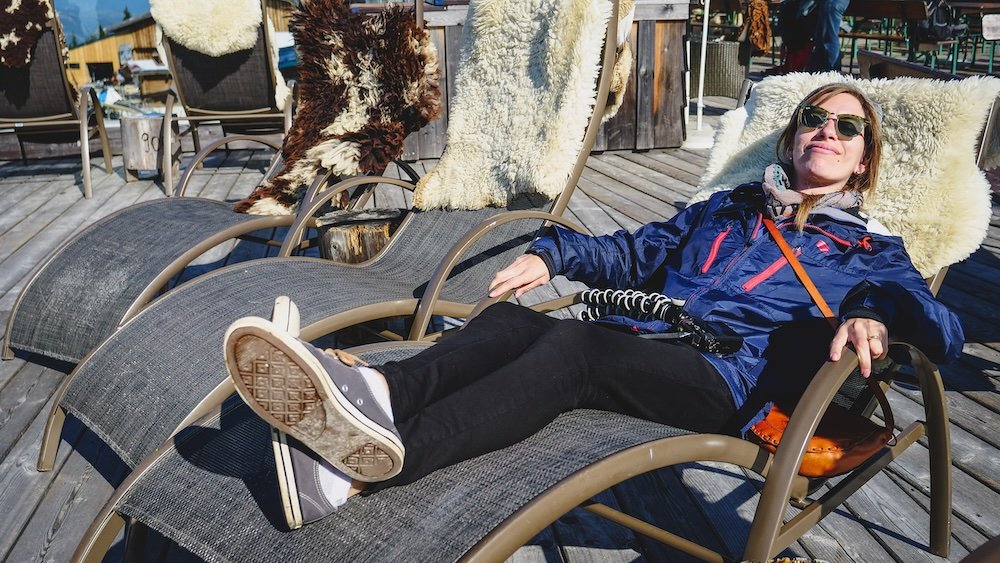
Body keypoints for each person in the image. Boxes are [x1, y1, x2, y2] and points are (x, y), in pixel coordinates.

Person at [222, 83, 964, 529]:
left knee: (575, 350)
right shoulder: (733, 209)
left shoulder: (873, 253)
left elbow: (944, 331)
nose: (826, 132)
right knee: (517, 320)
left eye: (847, 128)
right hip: (649, 342)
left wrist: (874, 309)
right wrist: (553, 253)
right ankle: (374, 394)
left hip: (730, 380)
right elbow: (638, 251)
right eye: (813, 118)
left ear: (864, 161)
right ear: (792, 134)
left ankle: (359, 470)